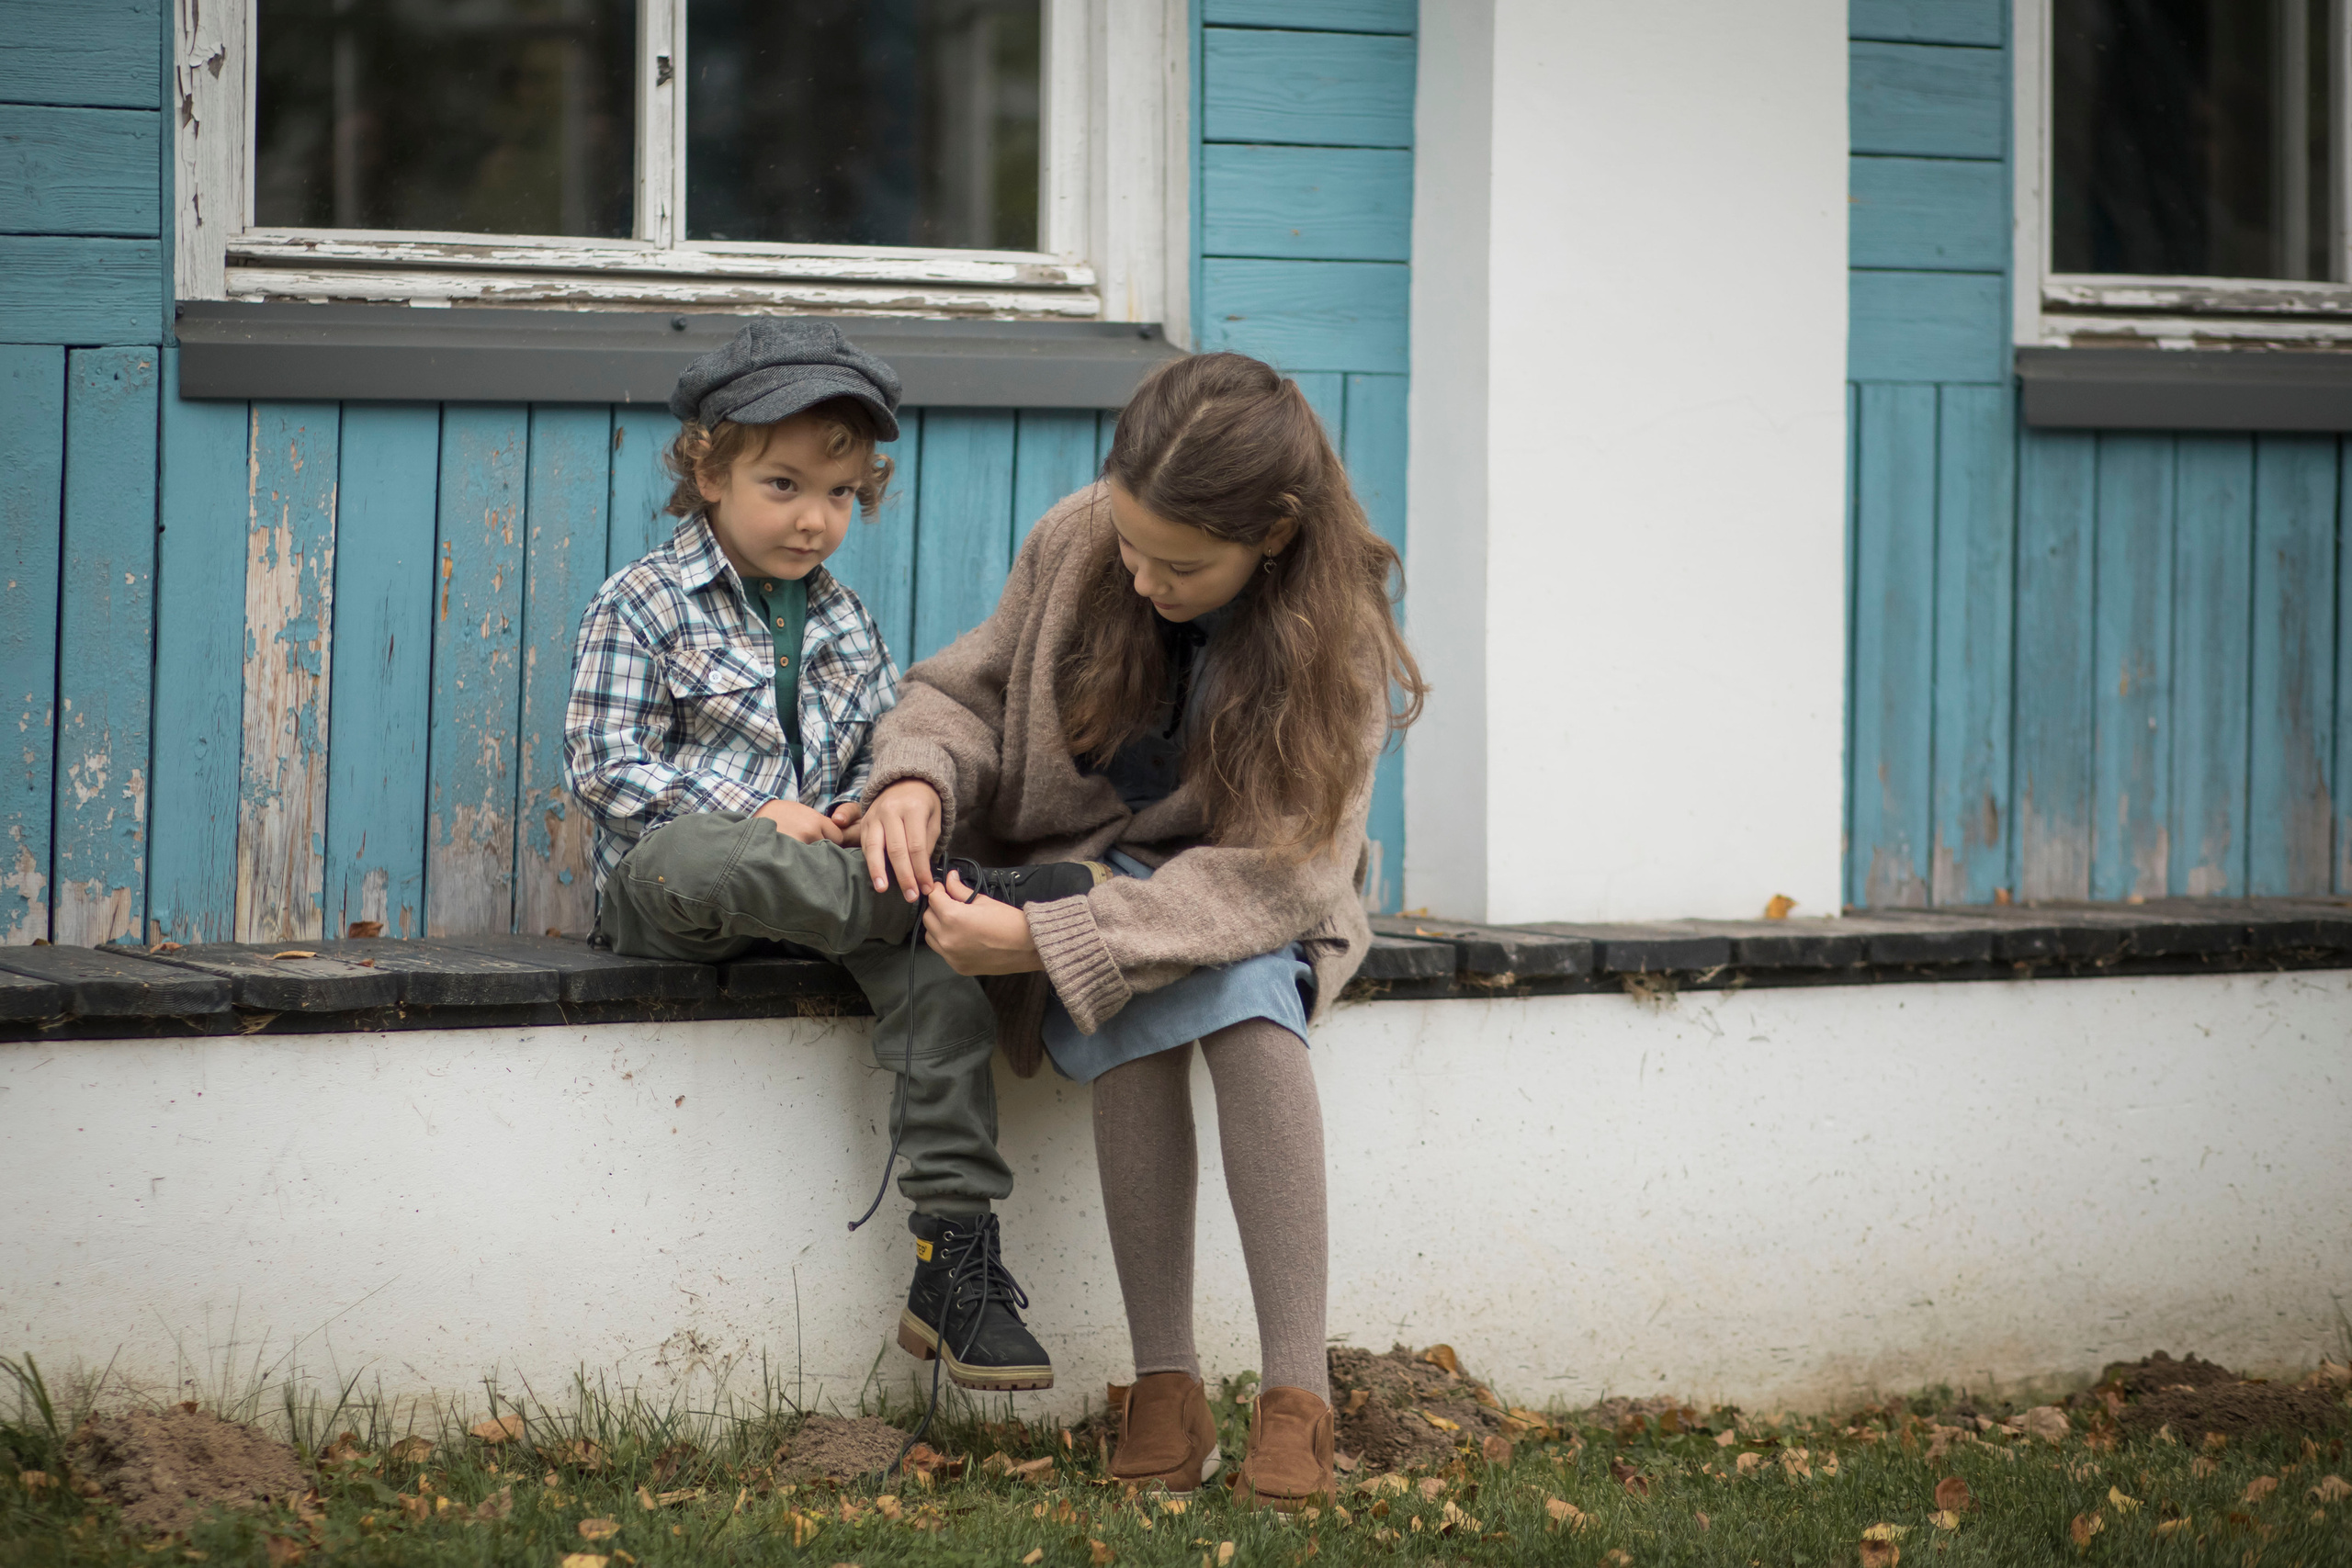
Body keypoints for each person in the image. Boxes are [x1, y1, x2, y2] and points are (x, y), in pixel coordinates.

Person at [856, 351, 1426, 1510]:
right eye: (1130, 543)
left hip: (1255, 889)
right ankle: (1163, 1381)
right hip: (1080, 872)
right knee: (1130, 991)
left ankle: (1294, 1395)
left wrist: (1052, 945)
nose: (1142, 575)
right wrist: (915, 777)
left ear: (1273, 533)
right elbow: (961, 693)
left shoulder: (1341, 633)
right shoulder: (1077, 538)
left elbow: (1285, 871)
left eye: (1180, 564)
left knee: (1244, 992)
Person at [563, 318, 1067, 1395]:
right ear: (708, 469)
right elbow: (606, 765)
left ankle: (953, 1256)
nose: (813, 520)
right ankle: (947, 896)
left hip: (828, 895)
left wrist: (851, 813)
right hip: (677, 885)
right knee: (739, 860)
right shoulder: (644, 602)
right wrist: (765, 810)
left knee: (942, 973)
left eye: (838, 496)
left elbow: (872, 754)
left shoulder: (847, 622)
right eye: (783, 485)